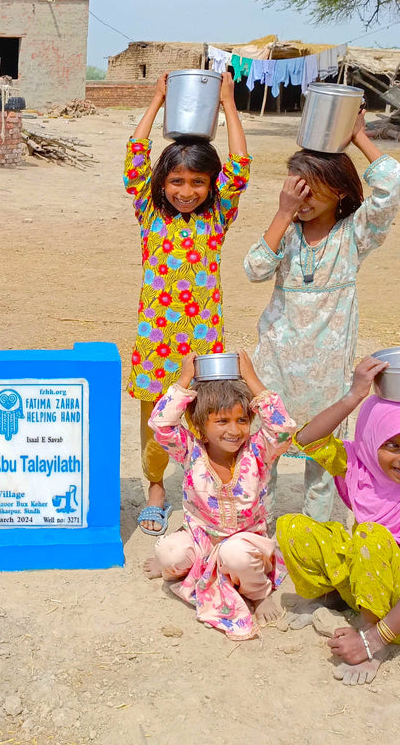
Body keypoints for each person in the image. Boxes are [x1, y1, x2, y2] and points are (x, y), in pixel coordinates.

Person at [244, 112, 400, 521]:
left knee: (322, 468)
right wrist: (282, 215)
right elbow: (254, 269)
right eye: (295, 192)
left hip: (328, 375)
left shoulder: (354, 235)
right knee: (265, 457)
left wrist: (357, 136)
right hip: (276, 368)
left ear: (338, 192)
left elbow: (393, 187)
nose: (303, 201)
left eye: (312, 193)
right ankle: (256, 543)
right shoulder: (286, 233)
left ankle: (317, 551)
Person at [124, 71, 250, 535]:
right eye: (176, 180)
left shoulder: (217, 216)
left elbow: (239, 166)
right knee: (156, 415)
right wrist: (157, 100)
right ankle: (156, 488)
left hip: (202, 342)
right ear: (163, 182)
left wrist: (227, 105)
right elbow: (134, 160)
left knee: (205, 416)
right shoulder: (150, 212)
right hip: (155, 339)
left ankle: (206, 491)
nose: (186, 191)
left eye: (198, 181)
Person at [277, 355, 400, 686]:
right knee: (293, 527)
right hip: (367, 574)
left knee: (370, 537)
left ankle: (372, 632)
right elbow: (308, 440)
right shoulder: (362, 466)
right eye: (393, 444)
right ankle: (333, 598)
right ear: (372, 440)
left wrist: (372, 642)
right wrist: (354, 395)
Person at [142, 350, 296, 640]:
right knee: (168, 553)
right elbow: (160, 425)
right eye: (222, 422)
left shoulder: (258, 452)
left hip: (246, 543)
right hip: (202, 537)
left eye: (241, 420)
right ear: (200, 426)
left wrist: (251, 379)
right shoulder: (190, 451)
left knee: (235, 555)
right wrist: (185, 379)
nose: (234, 430)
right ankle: (188, 568)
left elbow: (283, 430)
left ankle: (260, 593)